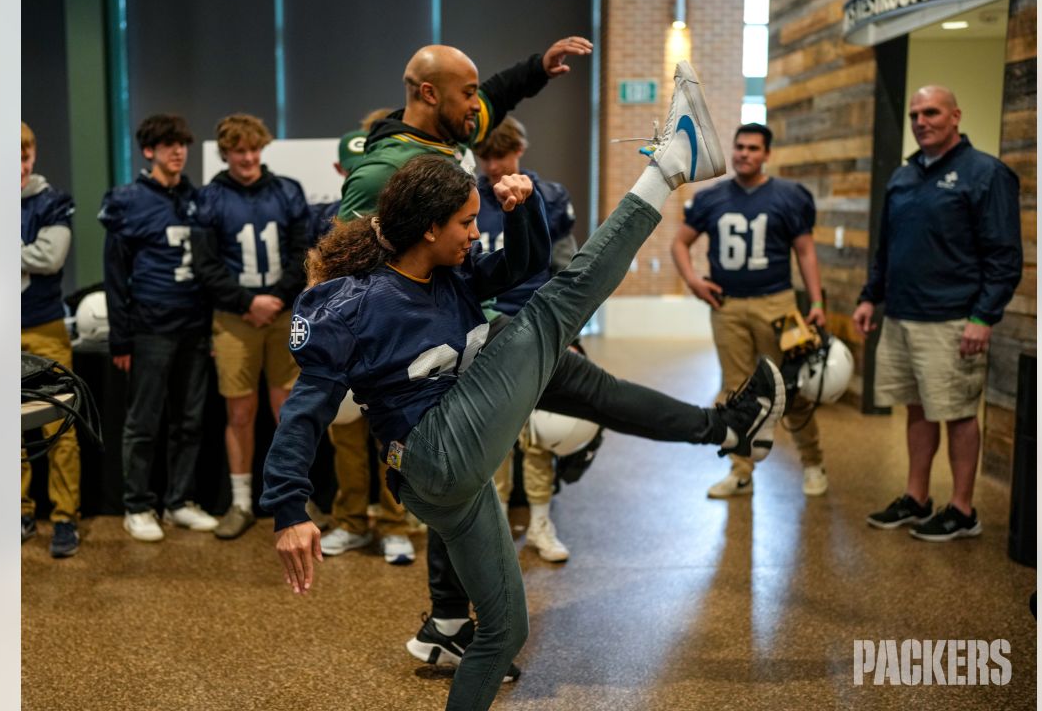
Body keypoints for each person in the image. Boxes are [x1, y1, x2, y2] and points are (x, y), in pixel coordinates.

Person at [262, 61, 783, 711]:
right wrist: (288, 511)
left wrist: (526, 204)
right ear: (429, 227)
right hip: (432, 451)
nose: (476, 232)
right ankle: (671, 165)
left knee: (507, 629)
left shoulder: (448, 277)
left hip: (447, 479)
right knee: (553, 309)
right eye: (466, 222)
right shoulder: (360, 301)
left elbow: (522, 264)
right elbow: (303, 410)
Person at [853, 85, 1022, 542]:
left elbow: (1004, 256)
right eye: (914, 114)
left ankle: (963, 510)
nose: (921, 121)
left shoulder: (985, 174)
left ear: (955, 116)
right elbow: (888, 247)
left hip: (953, 320)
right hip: (903, 315)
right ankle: (916, 497)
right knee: (918, 409)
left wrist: (984, 317)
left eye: (931, 112)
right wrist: (870, 296)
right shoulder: (903, 177)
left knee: (959, 412)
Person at [671, 122, 829, 498]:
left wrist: (818, 301)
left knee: (792, 388)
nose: (744, 154)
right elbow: (680, 243)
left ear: (767, 154)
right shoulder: (711, 198)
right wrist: (693, 280)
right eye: (740, 147)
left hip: (779, 302)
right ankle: (741, 471)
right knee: (735, 391)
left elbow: (805, 251)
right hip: (727, 305)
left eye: (753, 148)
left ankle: (813, 462)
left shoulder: (789, 197)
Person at [191, 114, 310, 540]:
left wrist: (275, 298)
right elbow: (205, 265)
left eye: (253, 148)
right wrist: (248, 302)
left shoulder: (287, 191)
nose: (247, 157)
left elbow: (303, 252)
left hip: (282, 314)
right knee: (240, 412)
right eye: (239, 150)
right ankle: (241, 502)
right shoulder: (209, 198)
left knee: (289, 411)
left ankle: (294, 500)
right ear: (226, 153)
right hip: (235, 318)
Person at [101, 113, 218, 542]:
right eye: (167, 144)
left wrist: (212, 328)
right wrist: (121, 336)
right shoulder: (127, 200)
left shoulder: (196, 198)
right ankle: (137, 505)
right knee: (144, 421)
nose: (177, 151)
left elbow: (211, 267)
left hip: (194, 326)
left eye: (182, 143)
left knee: (189, 420)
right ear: (149, 150)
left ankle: (180, 501)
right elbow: (115, 274)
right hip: (150, 328)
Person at [311, 109, 419, 565]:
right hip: (349, 340)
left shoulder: (404, 218)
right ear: (342, 170)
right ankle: (352, 520)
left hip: (392, 338)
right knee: (347, 437)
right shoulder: (331, 215)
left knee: (392, 437)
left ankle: (396, 524)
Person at [474, 116, 578, 561]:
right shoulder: (467, 196)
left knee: (540, 430)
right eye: (486, 156)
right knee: (491, 431)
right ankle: (495, 521)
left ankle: (539, 520)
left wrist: (566, 331)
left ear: (520, 148)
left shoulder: (549, 196)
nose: (495, 165)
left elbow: (567, 271)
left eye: (503, 154)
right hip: (484, 325)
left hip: (536, 322)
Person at [20, 121, 82, 558]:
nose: (18, 168)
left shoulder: (53, 200)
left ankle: (64, 519)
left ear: (34, 155)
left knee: (59, 424)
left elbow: (50, 256)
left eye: (23, 158)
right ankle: (19, 512)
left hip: (44, 326)